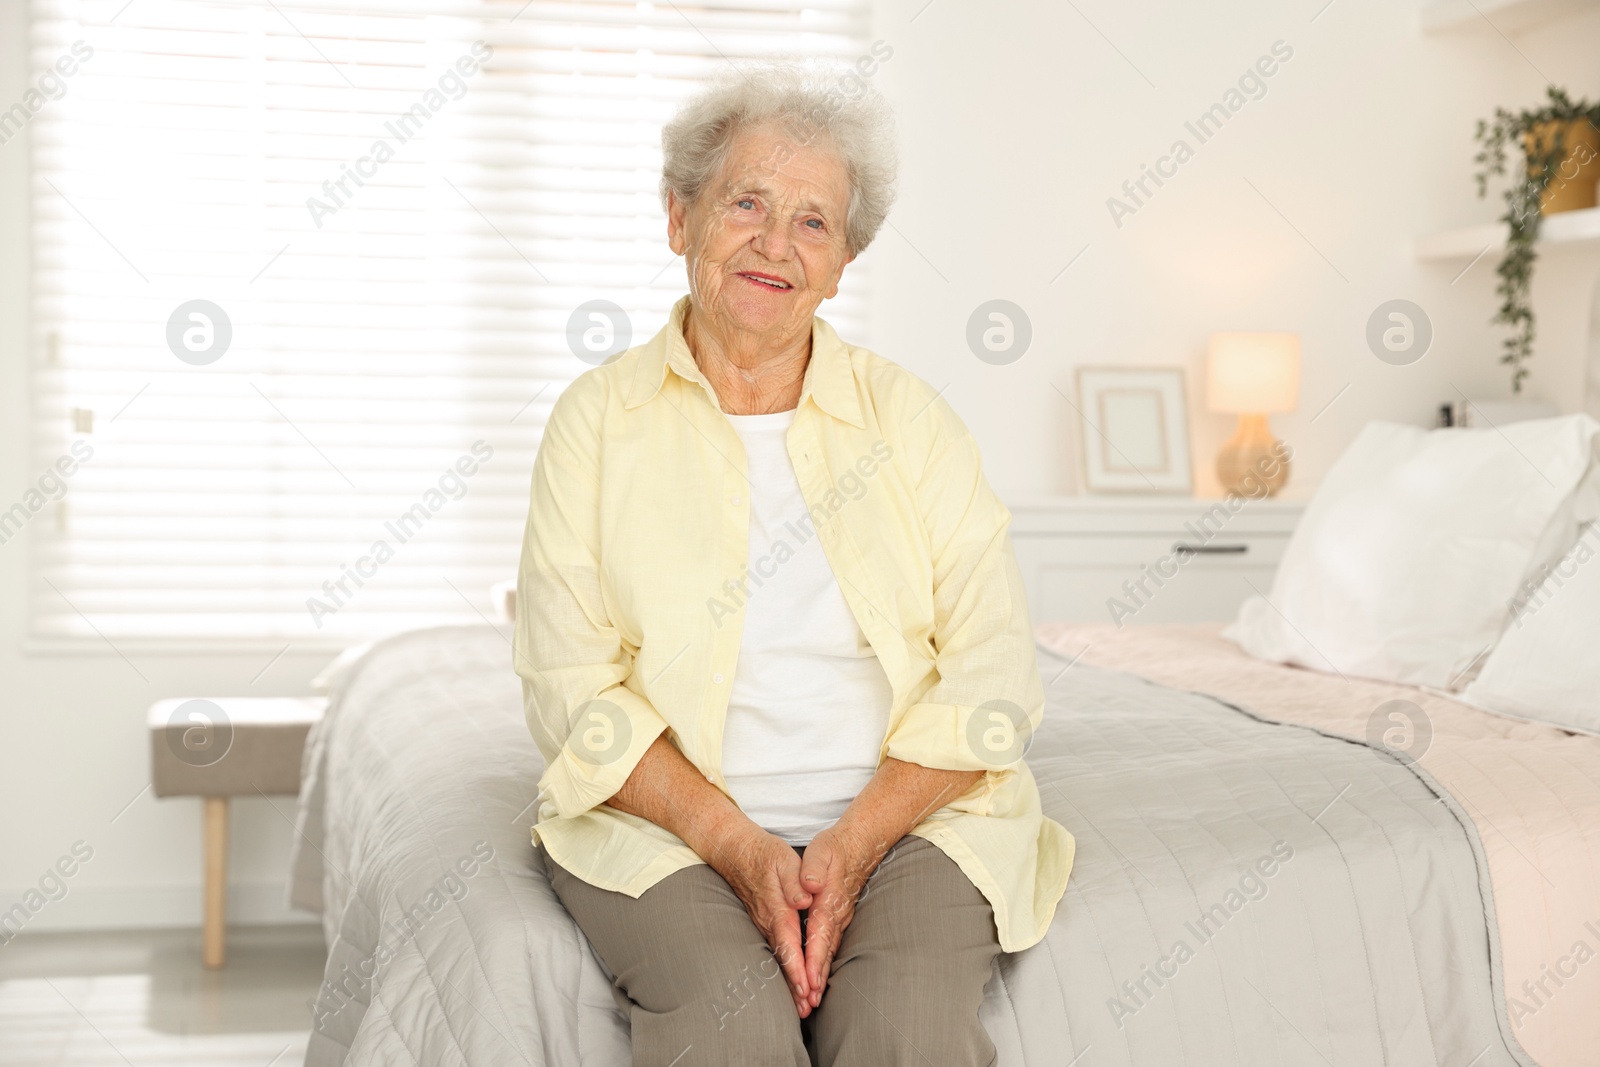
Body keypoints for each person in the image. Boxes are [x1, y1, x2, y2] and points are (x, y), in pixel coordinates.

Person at [513, 61, 1073, 1067]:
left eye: (814, 221)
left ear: (844, 259)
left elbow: (994, 676)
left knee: (902, 1029)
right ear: (680, 217)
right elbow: (569, 690)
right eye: (747, 203)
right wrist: (736, 843)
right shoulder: (596, 423)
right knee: (730, 1030)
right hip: (667, 830)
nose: (776, 242)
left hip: (908, 825)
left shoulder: (911, 422)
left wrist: (849, 849)